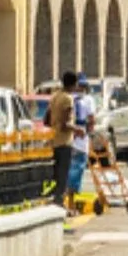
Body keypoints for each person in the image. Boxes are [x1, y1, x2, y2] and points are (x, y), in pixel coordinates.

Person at [45, 72, 78, 203]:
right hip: (64, 142)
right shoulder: (67, 99)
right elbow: (66, 124)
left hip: (53, 140)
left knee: (55, 173)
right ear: (73, 84)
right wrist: (78, 129)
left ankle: (53, 200)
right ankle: (59, 202)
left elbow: (46, 120)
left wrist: (54, 126)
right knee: (62, 175)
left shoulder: (55, 97)